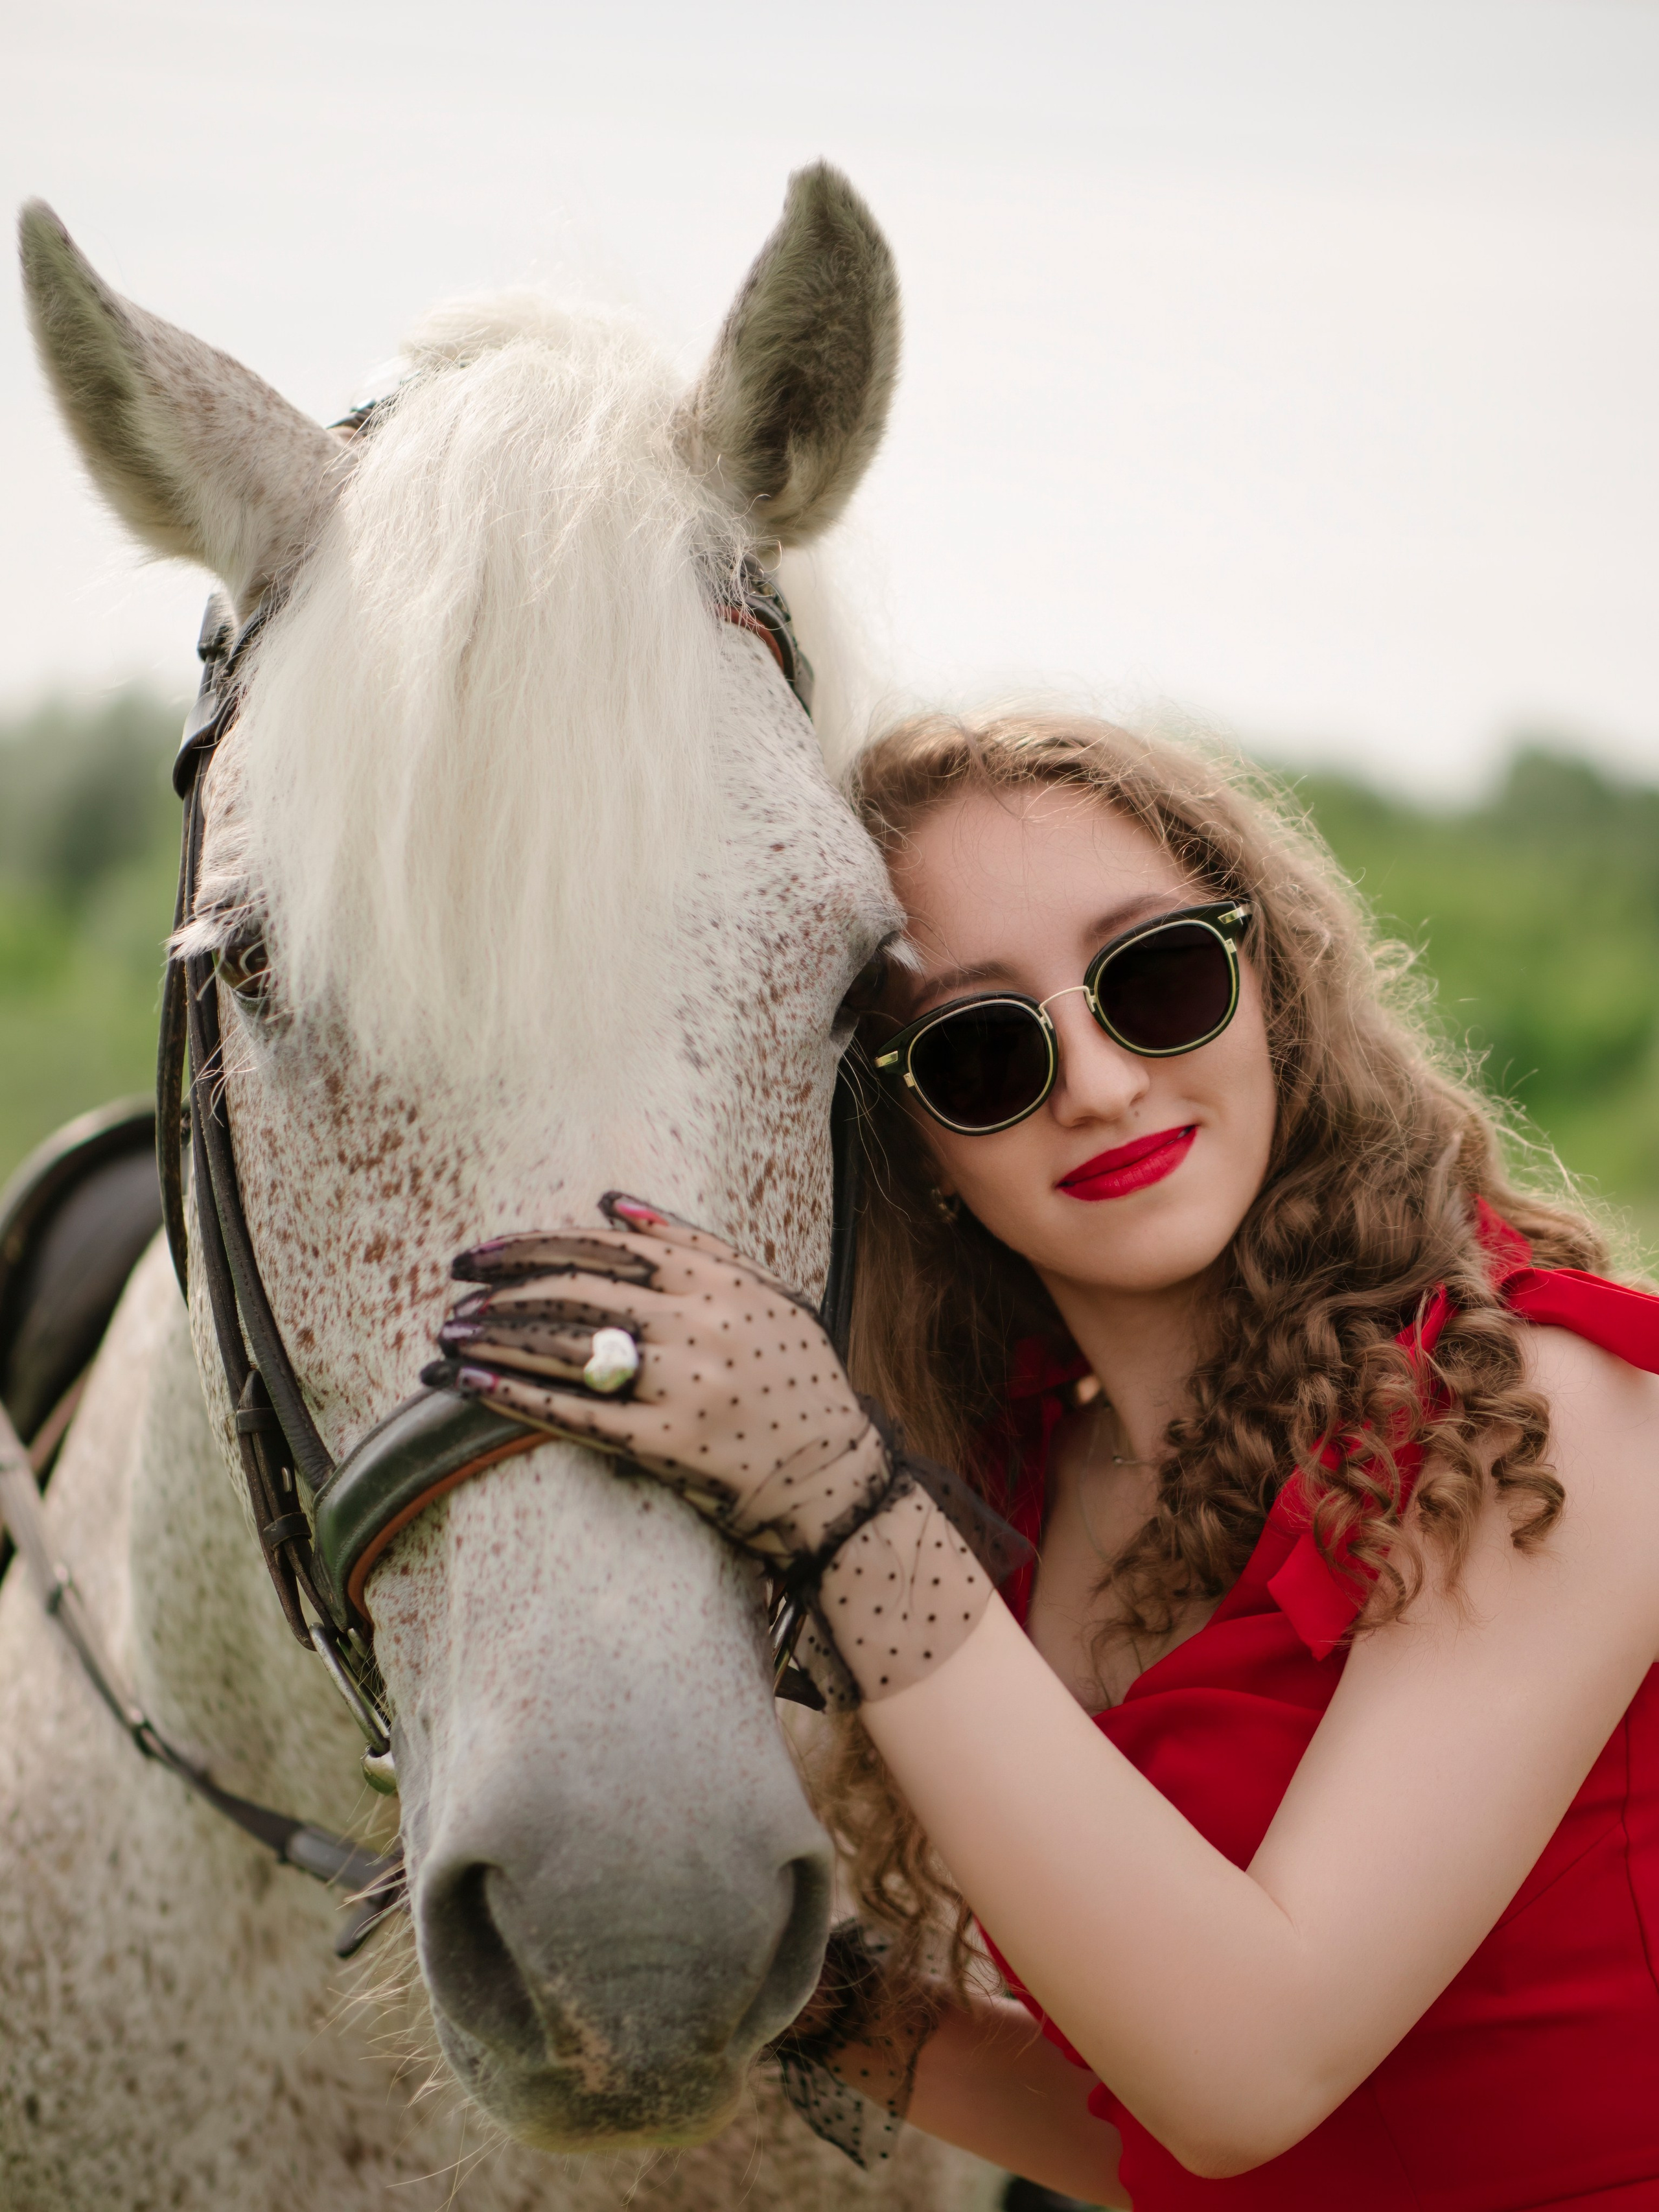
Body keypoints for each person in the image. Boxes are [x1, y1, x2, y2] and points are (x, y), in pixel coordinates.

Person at [428, 711, 1659, 2209]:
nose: (1093, 1081)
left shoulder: (1536, 1417)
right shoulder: (1004, 1500)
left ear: (1264, 989)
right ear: (908, 1143)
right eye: (979, 1050)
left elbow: (1245, 2076)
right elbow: (1140, 2125)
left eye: (1156, 979)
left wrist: (836, 1499)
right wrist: (775, 1987)